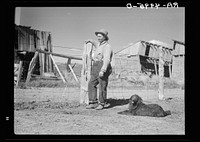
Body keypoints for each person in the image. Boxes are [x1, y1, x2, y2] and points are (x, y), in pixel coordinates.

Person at [85, 29, 113, 110]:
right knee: (91, 83)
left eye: (100, 36)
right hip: (96, 65)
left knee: (102, 85)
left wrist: (103, 70)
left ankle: (102, 103)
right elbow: (95, 43)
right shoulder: (99, 45)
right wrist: (90, 40)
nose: (98, 38)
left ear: (105, 37)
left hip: (103, 65)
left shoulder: (107, 47)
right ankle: (92, 102)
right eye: (97, 36)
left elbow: (107, 59)